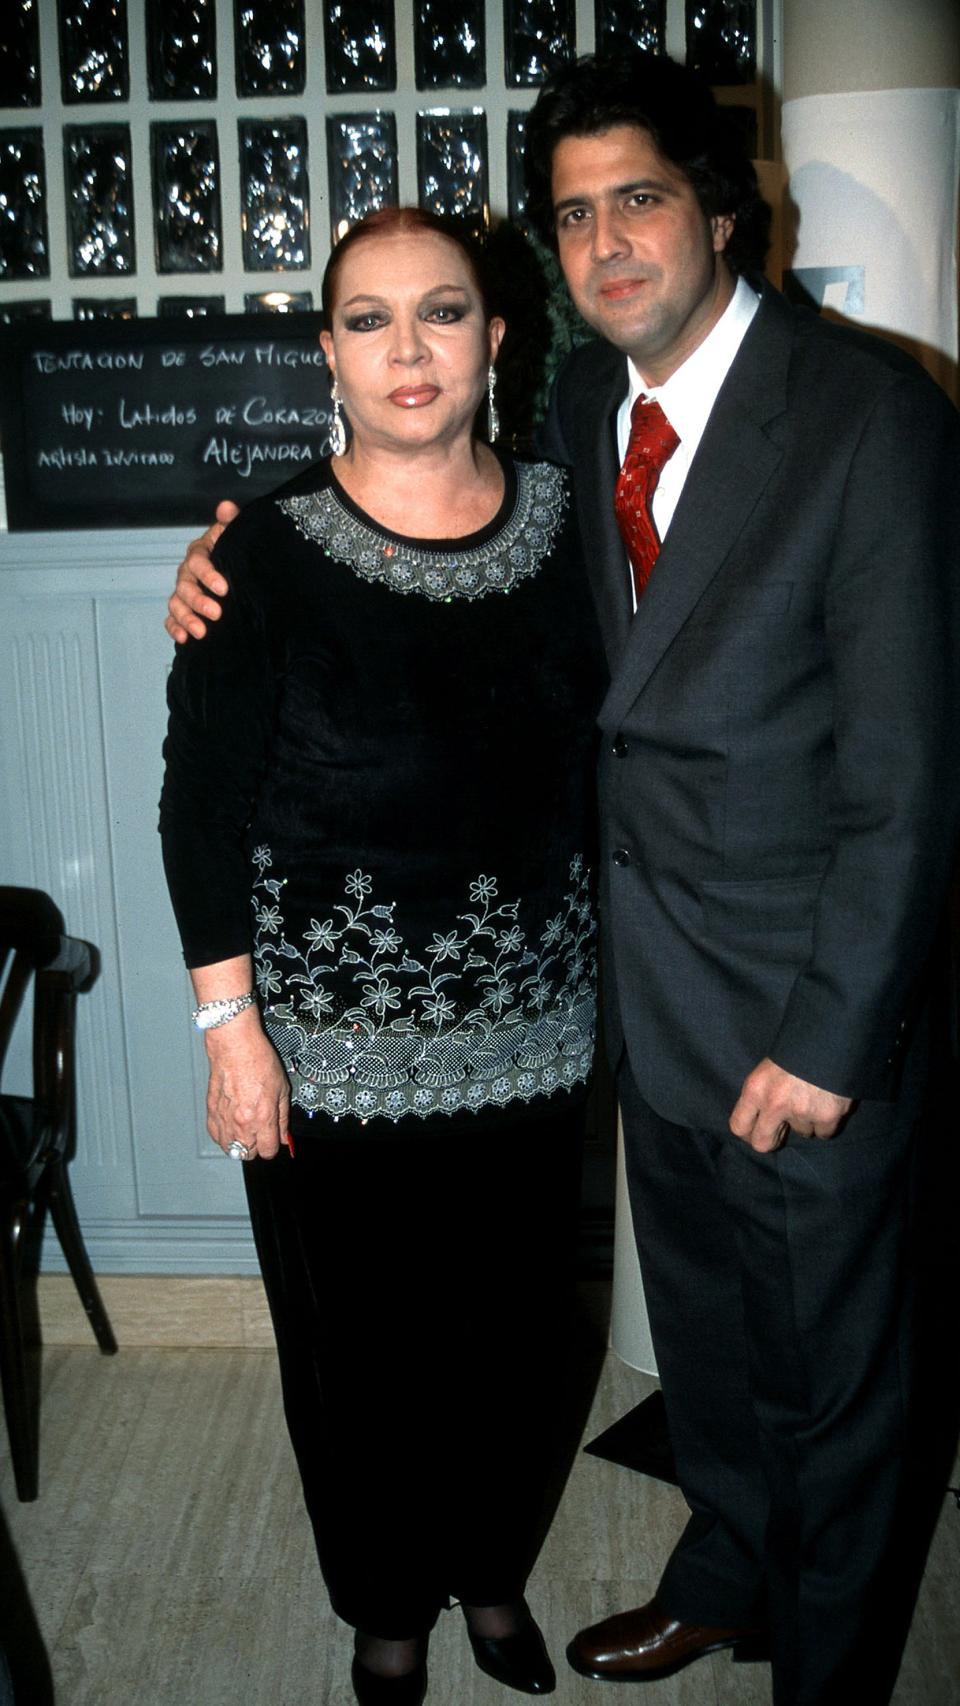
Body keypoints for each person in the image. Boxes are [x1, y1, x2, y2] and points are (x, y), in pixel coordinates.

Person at [166, 56, 960, 1706]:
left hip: (789, 1019)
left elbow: (911, 773)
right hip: (627, 1016)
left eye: (640, 199)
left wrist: (835, 1033)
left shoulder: (871, 420)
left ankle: (825, 1674)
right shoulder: (592, 414)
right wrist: (220, 566)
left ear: (722, 209)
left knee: (832, 1381)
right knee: (710, 1354)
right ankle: (719, 1575)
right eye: (576, 212)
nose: (607, 241)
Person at [159, 205, 606, 1706]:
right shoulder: (260, 560)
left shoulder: (576, 532)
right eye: (369, 318)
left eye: (443, 311)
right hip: (328, 1067)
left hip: (539, 1043)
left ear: (496, 338)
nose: (408, 347)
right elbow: (199, 808)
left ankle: (493, 1572)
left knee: (523, 1340)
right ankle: (387, 1610)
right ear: (331, 354)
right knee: (362, 1366)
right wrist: (231, 1033)